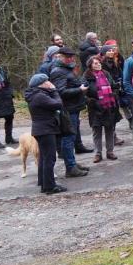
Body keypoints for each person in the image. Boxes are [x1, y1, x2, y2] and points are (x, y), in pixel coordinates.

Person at [48, 47, 90, 177]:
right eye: (68, 57)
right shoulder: (58, 71)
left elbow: (70, 85)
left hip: (74, 108)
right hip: (67, 109)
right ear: (60, 57)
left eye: (72, 57)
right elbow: (60, 92)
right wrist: (80, 90)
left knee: (71, 137)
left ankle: (72, 164)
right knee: (68, 138)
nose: (71, 59)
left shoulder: (67, 69)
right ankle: (70, 167)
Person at [25, 74, 67, 194]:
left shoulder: (35, 95)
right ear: (41, 84)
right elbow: (58, 104)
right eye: (47, 81)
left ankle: (44, 183)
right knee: (49, 158)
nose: (49, 82)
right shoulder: (39, 96)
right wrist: (54, 91)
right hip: (46, 130)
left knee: (44, 157)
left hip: (41, 129)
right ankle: (50, 186)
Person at [83, 56, 122, 163]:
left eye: (99, 63)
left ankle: (110, 151)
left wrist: (114, 95)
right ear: (90, 65)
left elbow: (114, 86)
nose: (98, 64)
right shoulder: (87, 76)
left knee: (110, 129)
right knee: (97, 131)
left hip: (109, 106)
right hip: (95, 108)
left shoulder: (106, 73)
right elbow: (83, 93)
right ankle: (98, 153)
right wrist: (92, 102)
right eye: (95, 63)